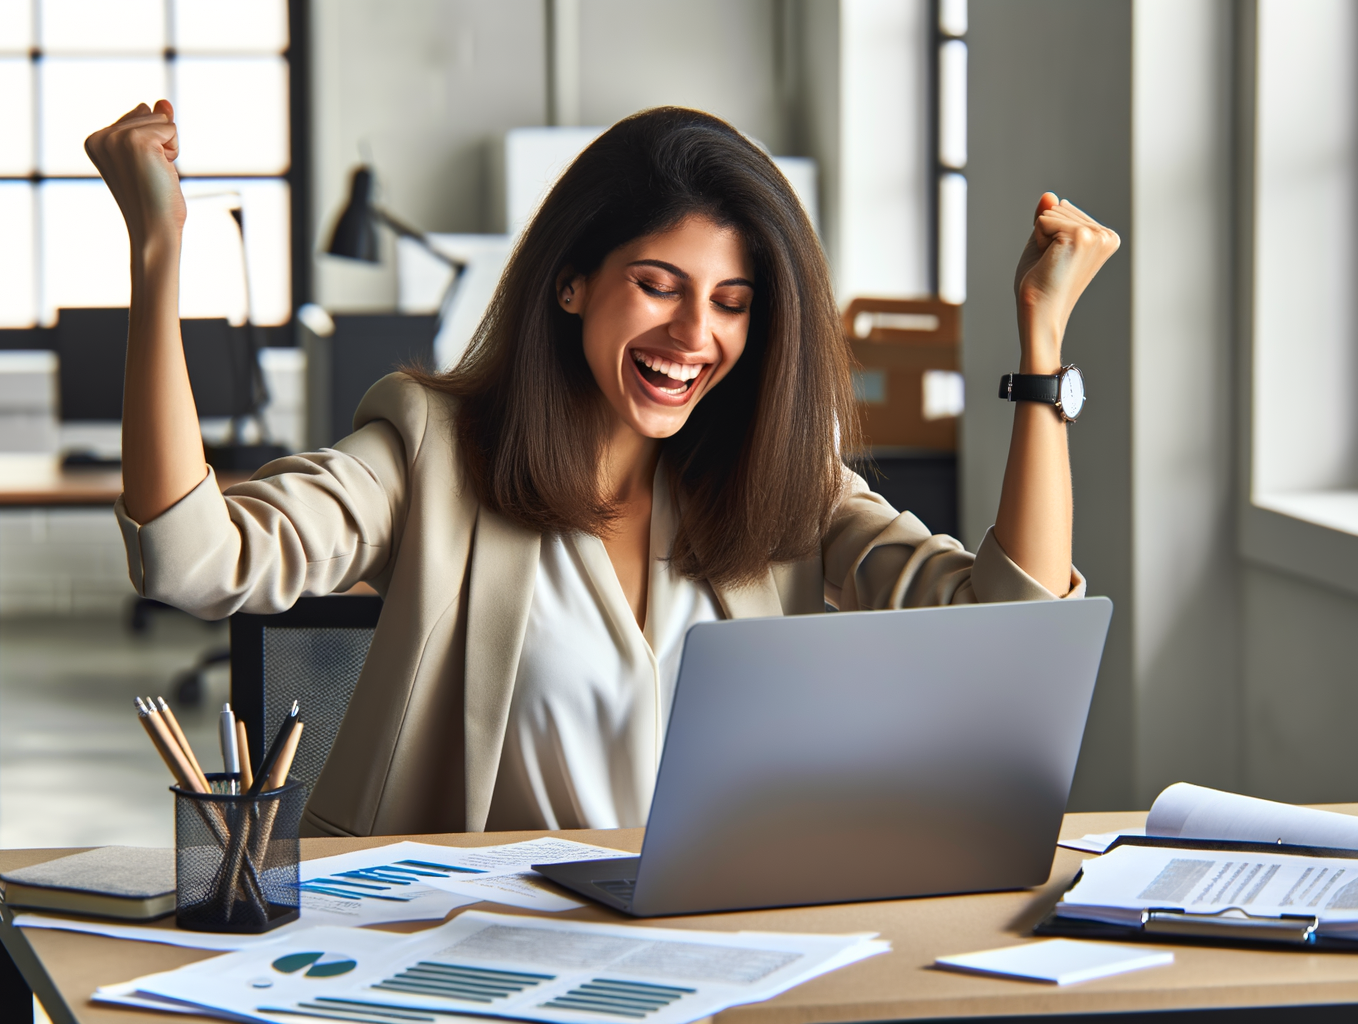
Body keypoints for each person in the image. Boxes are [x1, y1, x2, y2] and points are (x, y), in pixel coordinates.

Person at [86, 103, 1119, 838]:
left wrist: (1040, 348)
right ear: (573, 282)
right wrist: (156, 257)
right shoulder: (427, 450)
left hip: (717, 951)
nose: (692, 334)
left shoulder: (783, 486)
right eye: (657, 286)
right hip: (459, 959)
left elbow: (1013, 619)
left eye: (730, 302)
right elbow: (191, 558)